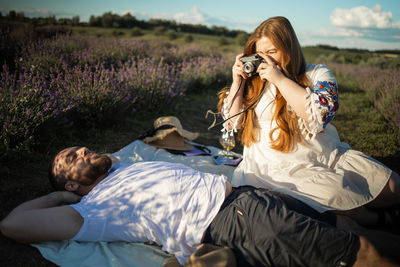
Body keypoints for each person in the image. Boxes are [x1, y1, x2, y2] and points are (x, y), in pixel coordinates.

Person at [1, 146, 400, 267]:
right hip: (234, 221)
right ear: (71, 183)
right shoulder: (90, 211)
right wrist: (58, 197)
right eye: (72, 156)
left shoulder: (121, 168)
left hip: (249, 197)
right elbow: (11, 225)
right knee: (360, 256)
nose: (83, 148)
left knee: (348, 228)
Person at [218, 16, 400, 226]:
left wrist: (279, 78)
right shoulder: (254, 82)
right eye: (259, 54)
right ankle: (374, 219)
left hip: (323, 154)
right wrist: (237, 82)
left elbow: (321, 116)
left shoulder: (317, 73)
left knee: (394, 187)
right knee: (340, 199)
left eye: (272, 52)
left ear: (289, 48)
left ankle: (372, 215)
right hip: (275, 165)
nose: (265, 60)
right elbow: (232, 123)